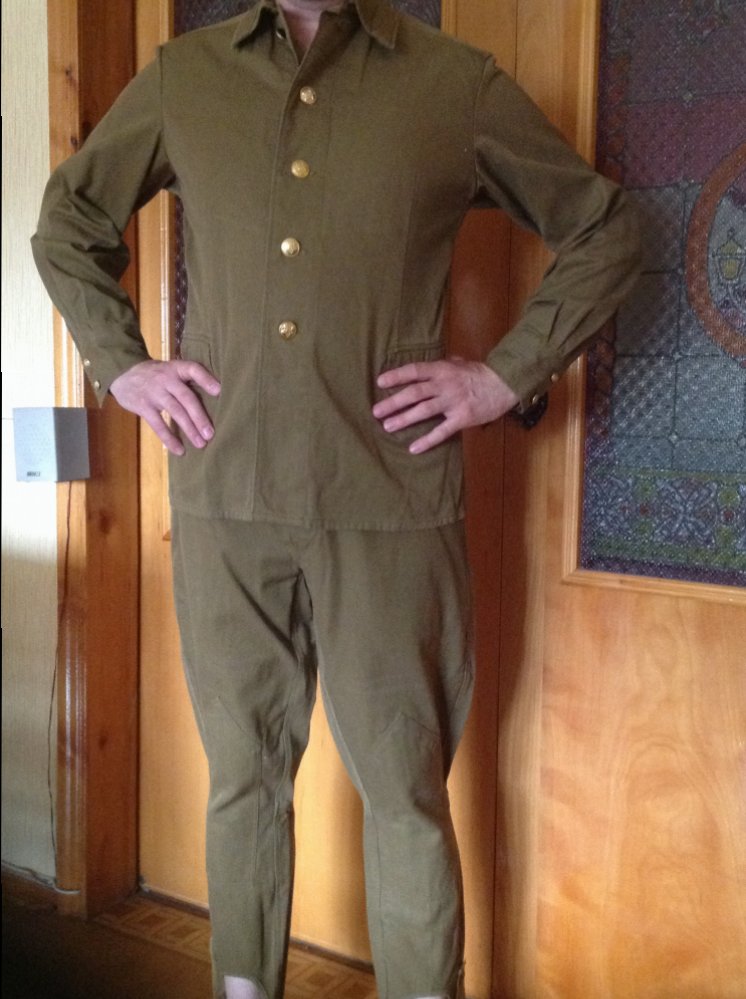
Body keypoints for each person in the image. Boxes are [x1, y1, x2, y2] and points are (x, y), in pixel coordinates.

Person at [32, 1, 640, 996]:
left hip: (391, 501)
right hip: (226, 491)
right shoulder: (186, 78)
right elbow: (69, 224)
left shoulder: (454, 85)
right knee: (242, 778)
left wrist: (503, 376)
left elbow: (607, 227)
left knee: (405, 789)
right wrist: (122, 364)